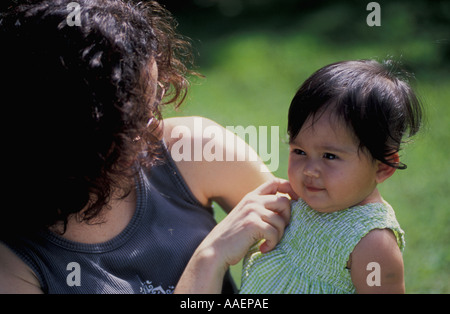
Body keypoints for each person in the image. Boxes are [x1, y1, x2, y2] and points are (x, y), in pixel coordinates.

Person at [0, 0, 295, 294]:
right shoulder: (13, 261)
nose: (156, 127)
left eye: (155, 98)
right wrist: (209, 260)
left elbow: (313, 243)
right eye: (133, 117)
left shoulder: (194, 149)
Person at [240, 59, 423, 294]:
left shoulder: (372, 242)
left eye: (329, 156)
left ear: (382, 167)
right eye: (300, 151)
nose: (309, 170)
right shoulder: (299, 202)